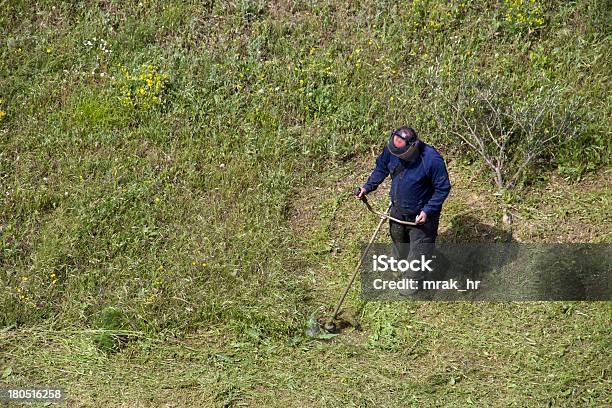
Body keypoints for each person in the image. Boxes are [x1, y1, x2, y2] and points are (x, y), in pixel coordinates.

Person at [356, 126, 451, 295]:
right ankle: (400, 263)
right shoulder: (392, 149)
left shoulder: (431, 160)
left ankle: (414, 279)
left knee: (419, 249)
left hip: (421, 216)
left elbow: (442, 188)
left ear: (412, 146)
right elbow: (381, 168)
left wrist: (428, 210)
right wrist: (367, 187)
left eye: (400, 154)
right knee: (398, 238)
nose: (396, 156)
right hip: (398, 210)